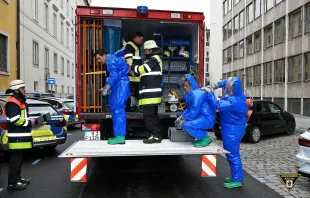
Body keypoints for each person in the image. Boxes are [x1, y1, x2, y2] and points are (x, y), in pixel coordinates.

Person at [203, 77, 248, 188]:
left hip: (232, 130)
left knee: (233, 155)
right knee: (231, 154)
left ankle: (237, 179)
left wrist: (209, 93)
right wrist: (215, 85)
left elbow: (217, 105)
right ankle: (235, 176)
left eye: (228, 87)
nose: (226, 88)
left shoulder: (234, 101)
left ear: (233, 88)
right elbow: (226, 83)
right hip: (231, 129)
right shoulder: (236, 95)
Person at [129, 40, 163, 144]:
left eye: (146, 50)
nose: (145, 52)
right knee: (153, 116)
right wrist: (134, 73)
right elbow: (142, 74)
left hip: (150, 95)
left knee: (149, 117)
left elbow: (144, 69)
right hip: (150, 95)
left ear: (149, 50)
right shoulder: (152, 60)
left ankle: (155, 136)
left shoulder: (154, 59)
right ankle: (156, 135)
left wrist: (131, 65)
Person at [4, 80, 35, 190]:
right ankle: (12, 183)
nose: (24, 90)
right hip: (16, 138)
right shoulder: (13, 102)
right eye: (22, 88)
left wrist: (30, 121)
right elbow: (15, 119)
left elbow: (21, 118)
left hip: (20, 138)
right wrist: (29, 122)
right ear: (16, 90)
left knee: (19, 160)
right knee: (15, 161)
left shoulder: (19, 101)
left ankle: (17, 178)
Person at [95, 48, 130, 145]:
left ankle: (120, 136)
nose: (98, 61)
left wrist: (108, 86)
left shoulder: (111, 60)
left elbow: (114, 75)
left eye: (99, 58)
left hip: (120, 88)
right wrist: (107, 87)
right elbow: (116, 75)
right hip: (119, 87)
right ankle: (118, 135)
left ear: (104, 55)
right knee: (116, 110)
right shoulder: (111, 60)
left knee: (118, 110)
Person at [176, 74, 217, 147]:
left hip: (206, 119)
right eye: (184, 85)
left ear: (191, 85)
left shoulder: (196, 94)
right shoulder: (192, 94)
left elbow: (193, 113)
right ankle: (201, 138)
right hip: (204, 117)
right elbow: (189, 110)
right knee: (187, 123)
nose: (185, 87)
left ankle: (205, 138)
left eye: (186, 85)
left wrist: (183, 118)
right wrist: (182, 115)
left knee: (186, 125)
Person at [115, 31, 144, 108]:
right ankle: (128, 107)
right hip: (131, 76)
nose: (141, 41)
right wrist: (131, 70)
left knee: (134, 92)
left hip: (135, 76)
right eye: (141, 39)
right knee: (130, 92)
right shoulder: (130, 45)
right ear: (136, 37)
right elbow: (129, 58)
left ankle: (133, 106)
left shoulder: (135, 46)